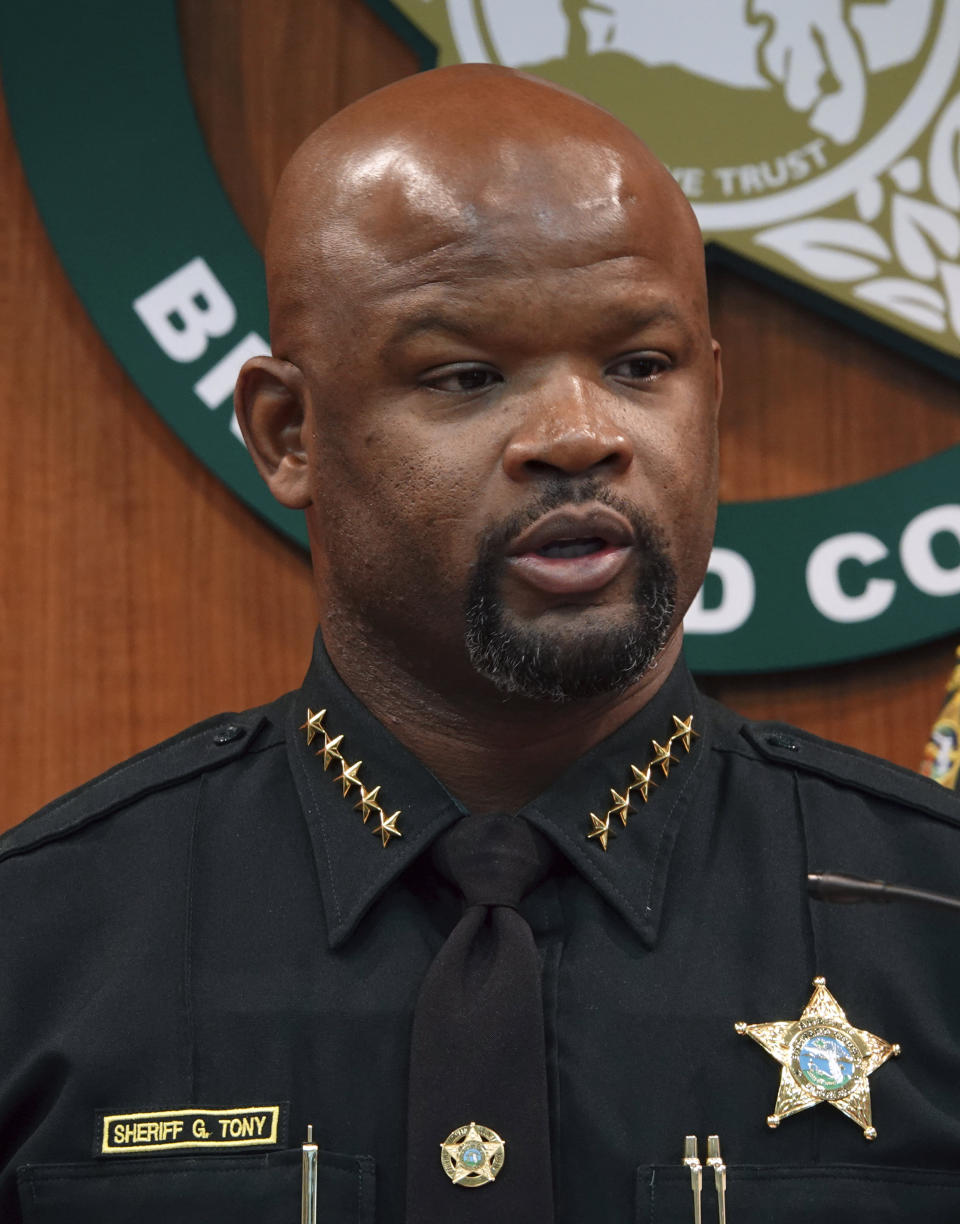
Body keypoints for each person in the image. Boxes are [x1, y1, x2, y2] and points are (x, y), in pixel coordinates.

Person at [3, 64, 960, 1224]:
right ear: (286, 431)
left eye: (639, 366)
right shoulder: (43, 946)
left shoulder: (932, 919)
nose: (578, 435)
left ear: (711, 395)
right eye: (466, 376)